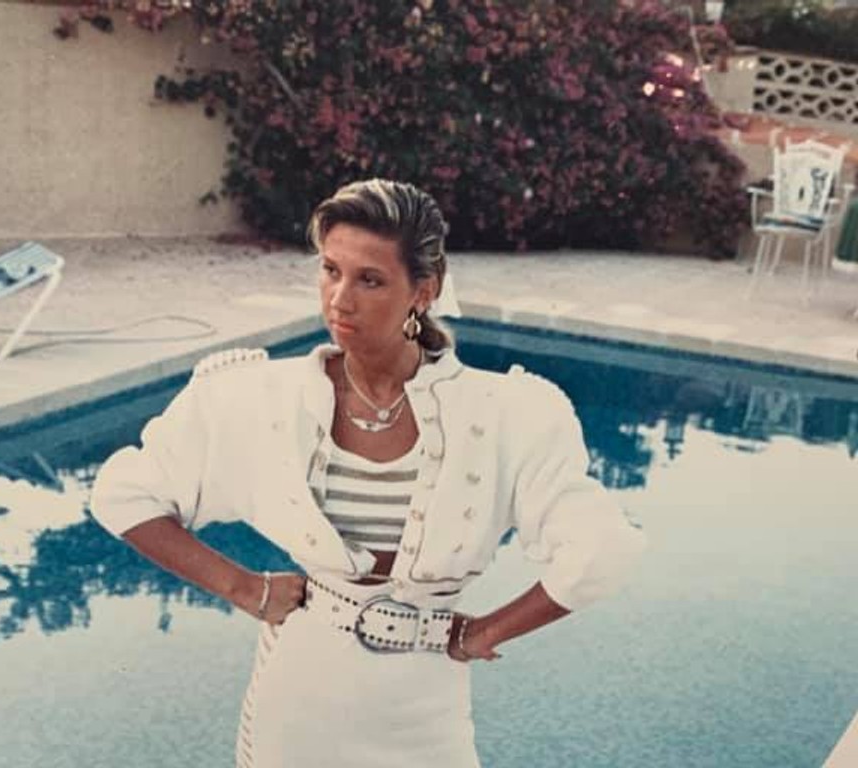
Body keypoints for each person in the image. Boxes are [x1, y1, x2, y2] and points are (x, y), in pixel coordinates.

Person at [90, 178, 646, 767]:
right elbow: (124, 495)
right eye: (330, 270)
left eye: (370, 280)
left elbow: (601, 551)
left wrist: (485, 633)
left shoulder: (511, 414)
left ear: (423, 292)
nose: (340, 299)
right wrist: (244, 588)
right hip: (300, 701)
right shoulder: (257, 395)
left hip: (426, 712)